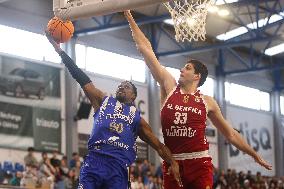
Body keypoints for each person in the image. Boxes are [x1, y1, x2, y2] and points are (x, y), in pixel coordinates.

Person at [124, 10, 272, 189]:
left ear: (197, 76)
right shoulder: (169, 87)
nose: (181, 70)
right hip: (173, 163)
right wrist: (129, 16)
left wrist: (254, 154)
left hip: (199, 164)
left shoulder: (207, 101)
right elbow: (146, 50)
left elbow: (230, 134)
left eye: (187, 68)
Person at [45, 30, 182, 189]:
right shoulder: (103, 101)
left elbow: (158, 145)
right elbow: (80, 76)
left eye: (126, 86)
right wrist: (59, 50)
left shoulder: (136, 119)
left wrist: (173, 162)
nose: (121, 87)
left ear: (133, 96)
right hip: (94, 162)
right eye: (120, 86)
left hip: (118, 168)